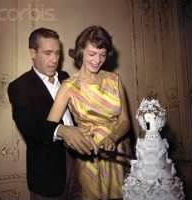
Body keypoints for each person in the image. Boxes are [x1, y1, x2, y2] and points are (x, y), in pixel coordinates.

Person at [8, 27, 94, 200]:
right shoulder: (19, 86)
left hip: (79, 165)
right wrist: (62, 130)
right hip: (47, 175)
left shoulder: (65, 76)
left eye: (57, 53)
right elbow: (29, 127)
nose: (54, 60)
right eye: (47, 53)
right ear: (33, 53)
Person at [47, 25, 131, 200]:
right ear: (80, 52)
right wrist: (73, 140)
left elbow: (125, 122)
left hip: (117, 154)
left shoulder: (114, 80)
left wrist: (113, 138)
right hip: (89, 157)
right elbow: (50, 127)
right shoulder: (69, 85)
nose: (97, 60)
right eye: (92, 54)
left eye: (102, 54)